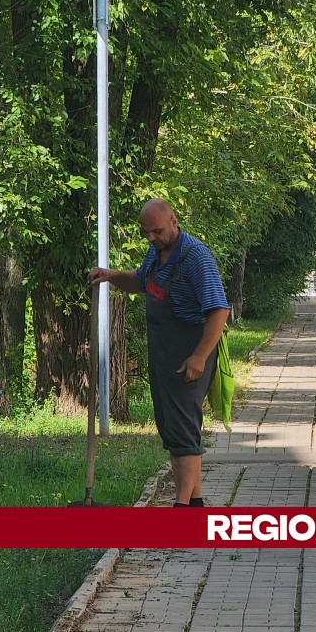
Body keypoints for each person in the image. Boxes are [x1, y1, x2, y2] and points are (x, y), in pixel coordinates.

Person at [89, 199, 230, 507]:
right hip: (163, 349)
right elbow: (141, 281)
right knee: (172, 428)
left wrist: (199, 356)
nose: (151, 237)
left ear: (174, 221)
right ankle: (194, 504)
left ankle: (180, 508)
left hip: (189, 350)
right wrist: (110, 275)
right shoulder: (156, 252)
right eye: (146, 232)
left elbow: (219, 309)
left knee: (183, 432)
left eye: (157, 231)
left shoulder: (196, 257)